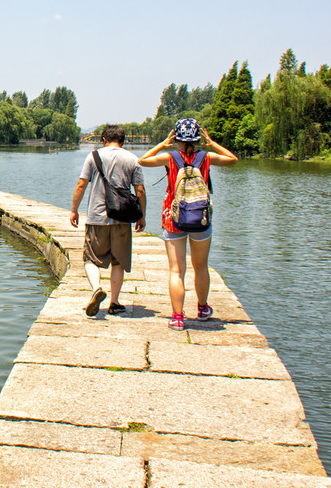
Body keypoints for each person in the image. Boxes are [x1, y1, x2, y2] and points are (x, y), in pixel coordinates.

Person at [138, 118, 238, 331]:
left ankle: (177, 317)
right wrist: (212, 144)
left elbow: (143, 161)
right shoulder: (206, 157)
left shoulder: (170, 157)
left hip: (173, 219)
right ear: (198, 139)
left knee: (176, 271)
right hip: (201, 218)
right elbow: (232, 159)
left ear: (177, 139)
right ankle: (202, 309)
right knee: (201, 266)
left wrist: (163, 144)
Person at [69, 124, 147, 317]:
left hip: (97, 218)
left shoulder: (93, 157)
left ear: (103, 139)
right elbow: (140, 190)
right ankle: (114, 302)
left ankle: (96, 288)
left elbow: (81, 185)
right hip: (122, 218)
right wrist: (142, 216)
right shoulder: (132, 159)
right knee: (118, 261)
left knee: (90, 258)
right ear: (123, 141)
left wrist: (74, 210)